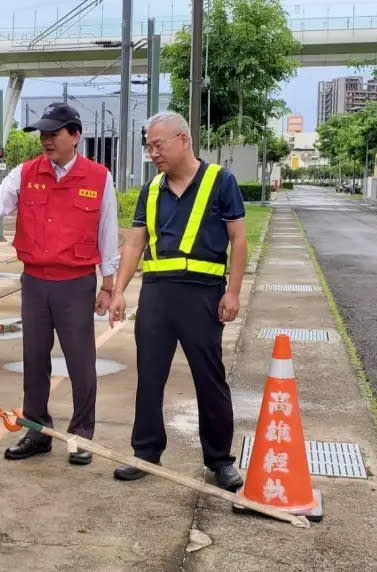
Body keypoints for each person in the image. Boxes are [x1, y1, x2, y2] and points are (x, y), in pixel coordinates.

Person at [0, 102, 118, 466]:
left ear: (75, 136)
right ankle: (36, 430)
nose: (46, 141)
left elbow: (108, 233)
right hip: (36, 281)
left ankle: (81, 435)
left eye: (53, 134)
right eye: (43, 134)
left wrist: (108, 285)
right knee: (34, 360)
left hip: (75, 283)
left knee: (80, 361)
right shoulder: (26, 173)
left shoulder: (98, 177)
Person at [107, 111, 246, 491]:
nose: (152, 153)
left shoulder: (221, 181)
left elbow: (238, 238)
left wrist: (232, 292)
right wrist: (119, 290)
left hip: (203, 295)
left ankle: (220, 459)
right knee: (150, 377)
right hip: (157, 294)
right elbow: (135, 241)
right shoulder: (152, 190)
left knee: (209, 378)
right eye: (149, 146)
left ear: (183, 140)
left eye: (159, 145)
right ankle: (146, 452)